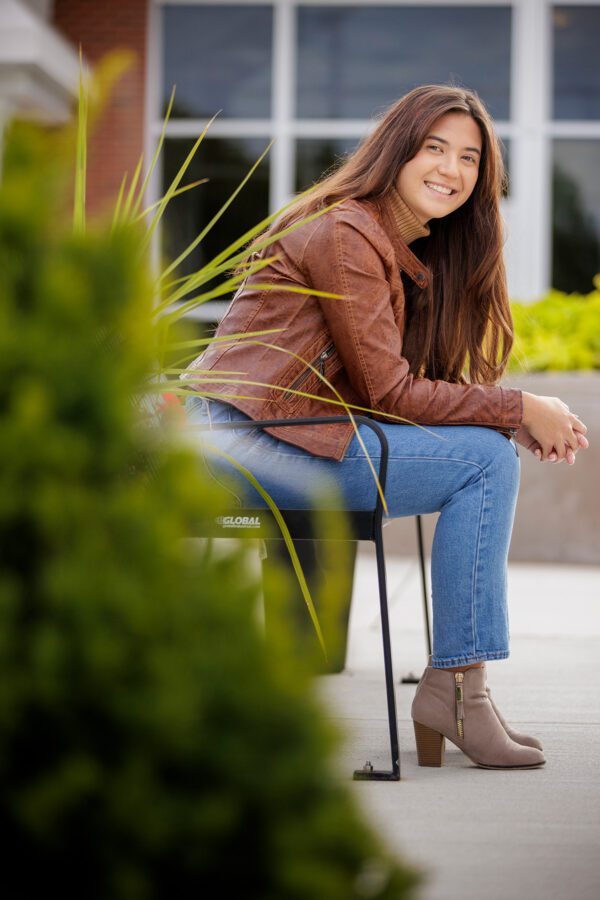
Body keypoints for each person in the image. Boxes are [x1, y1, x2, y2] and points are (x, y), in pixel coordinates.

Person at [181, 84, 589, 770]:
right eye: (434, 148)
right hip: (236, 442)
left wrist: (504, 416)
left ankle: (459, 692)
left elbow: (389, 391)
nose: (451, 170)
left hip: (279, 436)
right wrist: (519, 409)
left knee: (484, 454)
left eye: (469, 158)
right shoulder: (348, 233)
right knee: (486, 462)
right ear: (397, 151)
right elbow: (391, 393)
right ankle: (460, 695)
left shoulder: (397, 249)